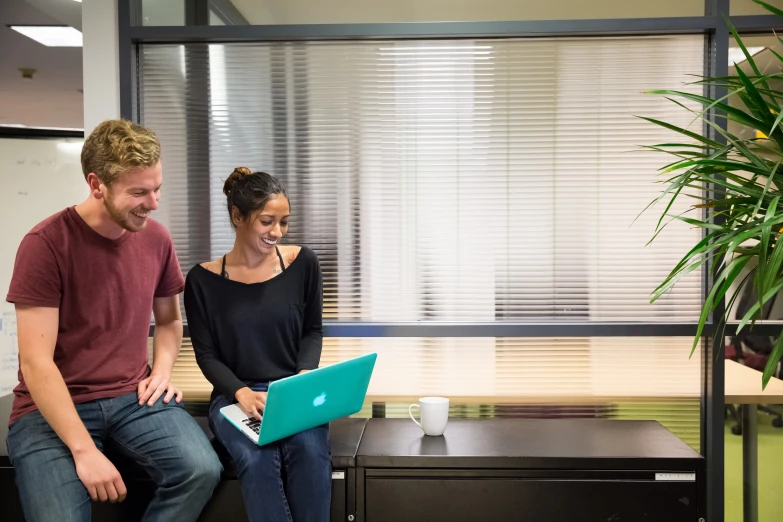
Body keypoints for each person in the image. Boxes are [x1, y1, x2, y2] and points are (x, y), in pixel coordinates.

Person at [5, 119, 222, 522]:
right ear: (96, 184)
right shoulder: (45, 245)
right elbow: (37, 363)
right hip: (51, 406)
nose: (153, 202)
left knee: (201, 470)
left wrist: (161, 370)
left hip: (132, 398)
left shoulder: (156, 238)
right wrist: (83, 450)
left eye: (156, 188)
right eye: (139, 192)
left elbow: (170, 321)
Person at [184, 167, 330, 522]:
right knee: (257, 457)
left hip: (291, 391)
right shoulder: (202, 280)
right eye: (267, 221)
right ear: (238, 216)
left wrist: (303, 377)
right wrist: (242, 393)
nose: (277, 232)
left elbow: (312, 331)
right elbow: (206, 355)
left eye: (284, 222)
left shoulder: (303, 264)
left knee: (310, 453)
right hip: (234, 398)